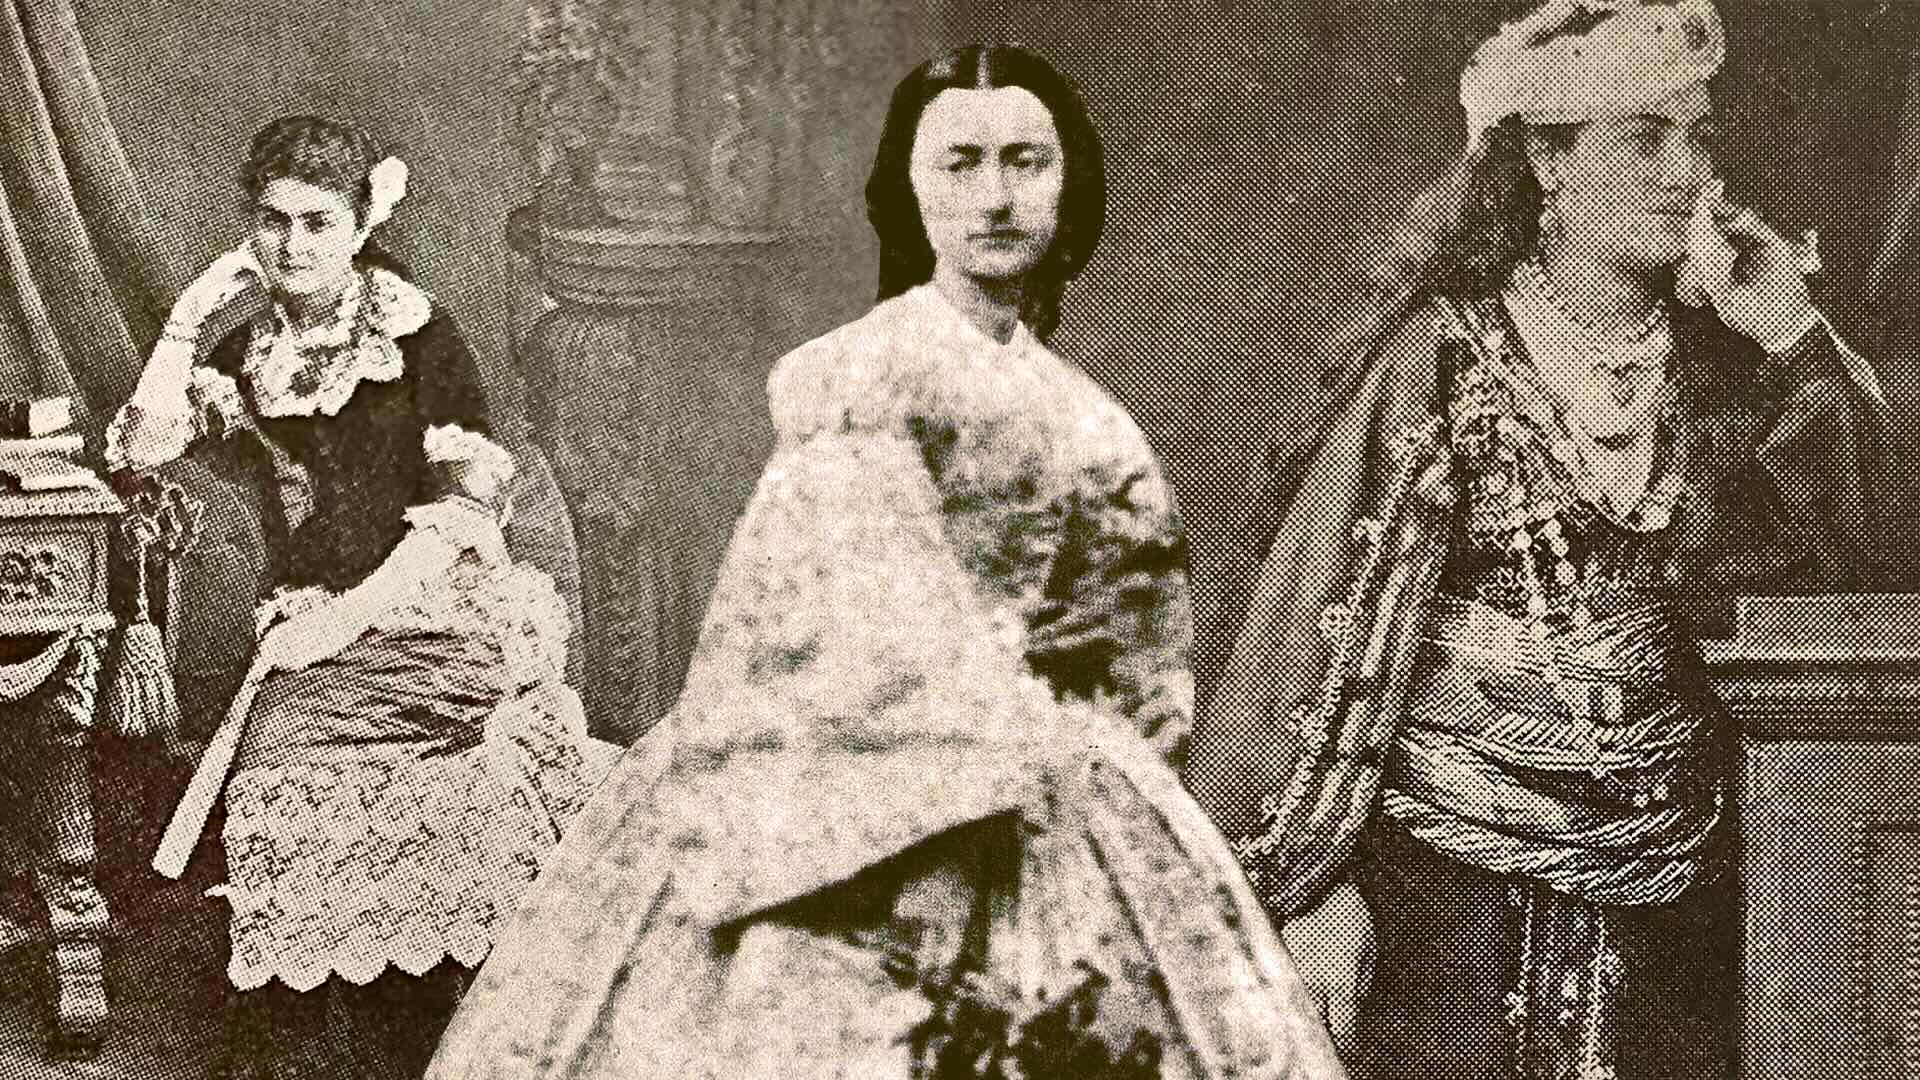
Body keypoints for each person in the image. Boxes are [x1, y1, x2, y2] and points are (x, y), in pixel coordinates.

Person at [424, 44, 1343, 1080]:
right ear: (910, 187)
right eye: (961, 163)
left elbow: (1145, 668)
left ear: (1068, 182)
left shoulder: (1090, 420)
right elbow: (794, 631)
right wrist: (994, 729)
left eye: (1026, 161)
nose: (996, 197)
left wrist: (1092, 762)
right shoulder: (858, 379)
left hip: (1060, 812)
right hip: (857, 812)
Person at [1185, 2, 1886, 1078]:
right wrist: (1312, 887)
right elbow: (1317, 631)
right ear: (1549, 162)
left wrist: (1792, 334)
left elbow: (1861, 566)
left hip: (1682, 896)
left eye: (1697, 139)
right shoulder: (1443, 358)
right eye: (1644, 140)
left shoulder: (1724, 372)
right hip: (1446, 903)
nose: (1687, 175)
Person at [108, 116, 612, 1079]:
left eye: (318, 223)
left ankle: (394, 1038)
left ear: (359, 224)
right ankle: (312, 1044)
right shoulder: (250, 349)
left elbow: (462, 514)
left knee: (285, 754)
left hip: (436, 617)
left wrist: (344, 618)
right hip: (310, 627)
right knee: (274, 766)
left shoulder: (418, 335)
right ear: (249, 227)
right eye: (272, 221)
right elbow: (140, 448)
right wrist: (186, 318)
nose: (293, 245)